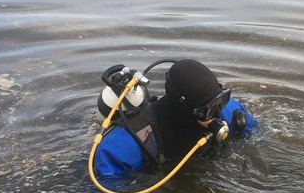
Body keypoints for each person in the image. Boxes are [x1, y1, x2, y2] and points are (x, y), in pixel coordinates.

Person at [93, 59, 257, 180]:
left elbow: (255, 136)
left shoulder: (230, 113)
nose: (216, 115)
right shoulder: (122, 148)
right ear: (183, 111)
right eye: (207, 111)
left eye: (221, 101)